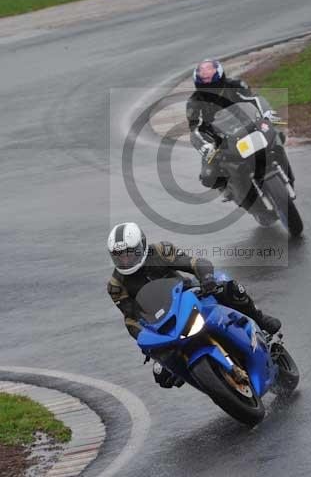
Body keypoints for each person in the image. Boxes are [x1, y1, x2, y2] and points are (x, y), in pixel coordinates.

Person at [107, 222, 282, 388]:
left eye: (129, 253)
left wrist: (206, 279)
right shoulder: (116, 285)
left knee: (226, 285)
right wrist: (147, 345)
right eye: (119, 256)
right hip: (162, 324)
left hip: (189, 296)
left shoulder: (161, 251)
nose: (125, 259)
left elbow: (194, 262)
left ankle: (258, 318)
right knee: (162, 375)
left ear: (142, 245)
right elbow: (131, 318)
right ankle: (211, 381)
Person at [186, 59, 293, 199]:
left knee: (277, 135)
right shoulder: (194, 102)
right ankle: (230, 190)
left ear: (221, 79)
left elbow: (254, 99)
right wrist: (205, 146)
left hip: (248, 126)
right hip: (219, 139)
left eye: (215, 86)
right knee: (208, 177)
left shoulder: (235, 85)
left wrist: (267, 113)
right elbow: (196, 128)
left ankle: (286, 173)